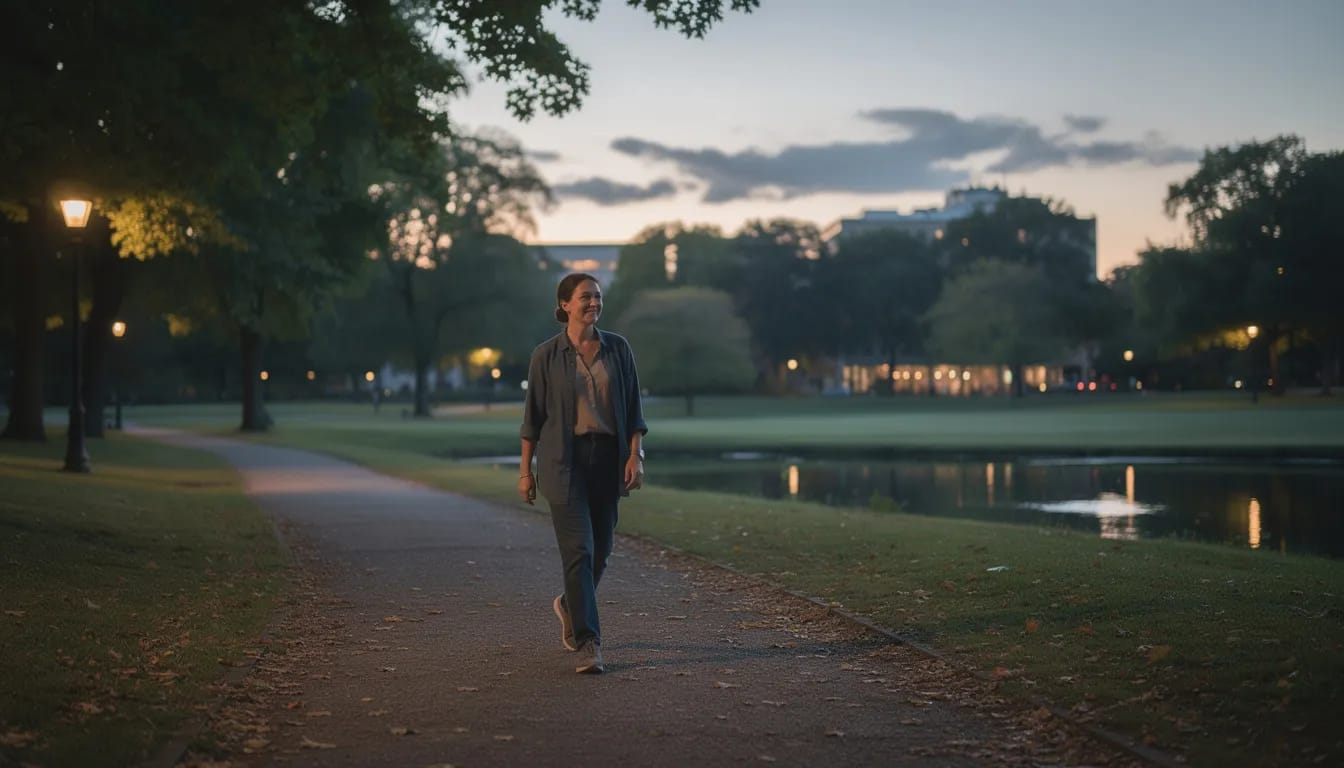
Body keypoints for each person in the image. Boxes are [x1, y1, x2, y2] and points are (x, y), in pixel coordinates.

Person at [518, 273, 647, 674]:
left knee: (603, 550)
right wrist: (526, 472)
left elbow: (633, 408)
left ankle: (568, 603)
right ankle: (589, 642)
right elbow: (532, 420)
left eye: (598, 296)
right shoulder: (546, 355)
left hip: (608, 460)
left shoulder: (618, 349)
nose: (594, 303)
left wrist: (635, 455)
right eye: (586, 297)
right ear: (565, 305)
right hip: (562, 462)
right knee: (580, 550)